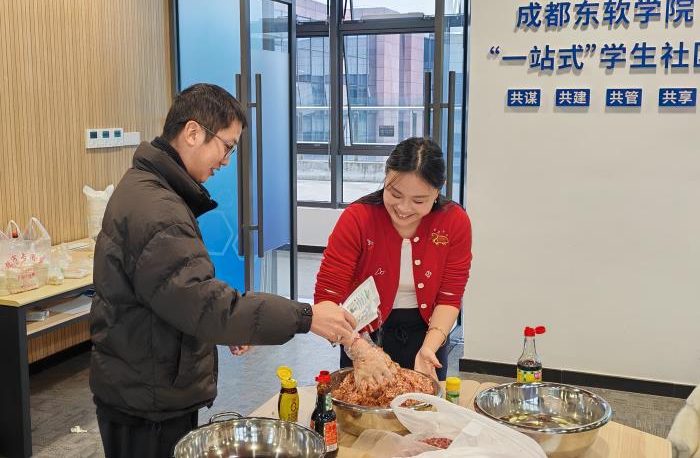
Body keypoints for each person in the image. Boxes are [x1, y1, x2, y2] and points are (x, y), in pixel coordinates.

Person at [89, 83, 356, 458]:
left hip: (146, 383)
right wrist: (306, 316)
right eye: (227, 146)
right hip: (146, 400)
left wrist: (224, 324)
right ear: (193, 132)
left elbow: (183, 296)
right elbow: (208, 308)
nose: (227, 161)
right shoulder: (158, 210)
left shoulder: (152, 192)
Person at [314, 137, 472, 383]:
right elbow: (327, 298)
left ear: (438, 189)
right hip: (362, 334)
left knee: (423, 404)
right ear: (386, 177)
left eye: (419, 201)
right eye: (395, 194)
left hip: (428, 334)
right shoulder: (358, 219)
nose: (404, 208)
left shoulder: (454, 221)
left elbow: (450, 295)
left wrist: (429, 347)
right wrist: (358, 347)